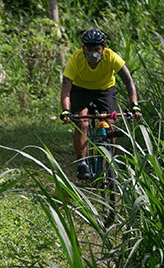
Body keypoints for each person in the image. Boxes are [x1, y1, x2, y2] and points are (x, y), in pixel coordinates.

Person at [59, 28, 141, 180]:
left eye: (97, 49)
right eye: (89, 49)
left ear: (103, 48)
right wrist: (66, 111)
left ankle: (110, 162)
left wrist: (134, 104)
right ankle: (82, 162)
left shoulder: (112, 57)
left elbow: (128, 81)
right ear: (83, 48)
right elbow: (66, 87)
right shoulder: (75, 59)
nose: (93, 53)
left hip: (105, 90)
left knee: (110, 122)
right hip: (81, 90)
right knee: (82, 121)